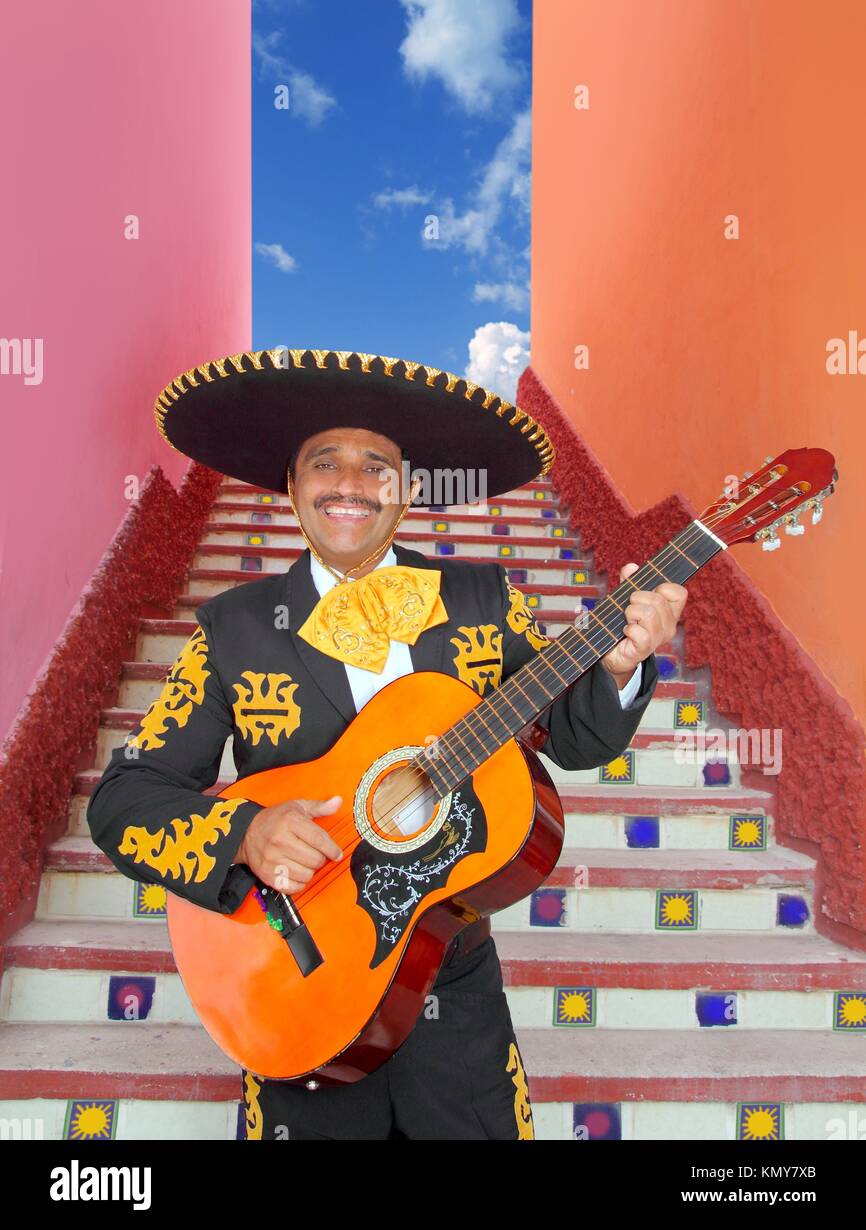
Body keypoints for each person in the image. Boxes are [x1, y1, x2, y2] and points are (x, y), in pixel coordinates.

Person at [87, 346, 687, 1140]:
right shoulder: (230, 629)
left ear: (408, 488)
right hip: (298, 987)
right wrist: (246, 834)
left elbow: (569, 738)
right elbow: (124, 800)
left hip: (457, 999)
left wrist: (616, 668)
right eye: (324, 463)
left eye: (377, 465)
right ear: (291, 487)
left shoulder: (484, 598)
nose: (350, 484)